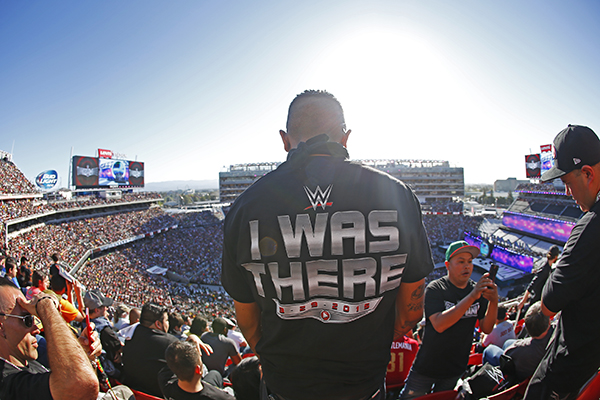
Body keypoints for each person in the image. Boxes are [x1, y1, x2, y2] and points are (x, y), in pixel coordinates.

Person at [221, 90, 434, 400]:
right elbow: (410, 314)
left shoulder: (246, 206)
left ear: (284, 140)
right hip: (363, 386)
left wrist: (279, 362)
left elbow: (249, 323)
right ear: (346, 138)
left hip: (286, 387)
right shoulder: (396, 195)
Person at [524, 125, 600, 399]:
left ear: (588, 173)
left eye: (568, 182)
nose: (568, 193)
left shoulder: (590, 227)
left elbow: (549, 302)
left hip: (574, 368)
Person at [400, 241, 498, 399]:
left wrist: (494, 301)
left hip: (455, 368)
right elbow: (439, 325)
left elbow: (486, 328)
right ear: (447, 265)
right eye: (461, 261)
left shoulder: (477, 291)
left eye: (469, 261)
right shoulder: (436, 288)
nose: (467, 266)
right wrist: (472, 296)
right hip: (427, 366)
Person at [0, 278, 100, 399]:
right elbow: (83, 386)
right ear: (1, 328)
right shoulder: (8, 384)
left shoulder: (26, 363)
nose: (36, 329)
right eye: (27, 320)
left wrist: (82, 355)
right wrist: (45, 306)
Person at [121, 302, 211, 397]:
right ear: (158, 324)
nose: (168, 324)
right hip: (159, 395)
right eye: (167, 320)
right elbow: (197, 372)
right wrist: (193, 340)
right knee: (213, 375)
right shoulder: (170, 343)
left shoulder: (129, 336)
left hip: (132, 392)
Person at [483, 301, 553, 382]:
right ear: (548, 322)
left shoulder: (519, 348)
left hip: (518, 376)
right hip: (538, 367)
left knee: (489, 349)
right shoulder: (555, 335)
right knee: (507, 342)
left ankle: (487, 379)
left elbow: (506, 356)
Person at [158, 339, 234, 400]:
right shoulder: (222, 397)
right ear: (198, 370)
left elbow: (175, 358)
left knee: (214, 373)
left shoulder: (165, 382)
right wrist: (192, 337)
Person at [517, 246, 560, 311]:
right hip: (535, 301)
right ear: (556, 257)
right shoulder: (544, 271)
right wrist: (522, 302)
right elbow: (531, 285)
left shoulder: (548, 268)